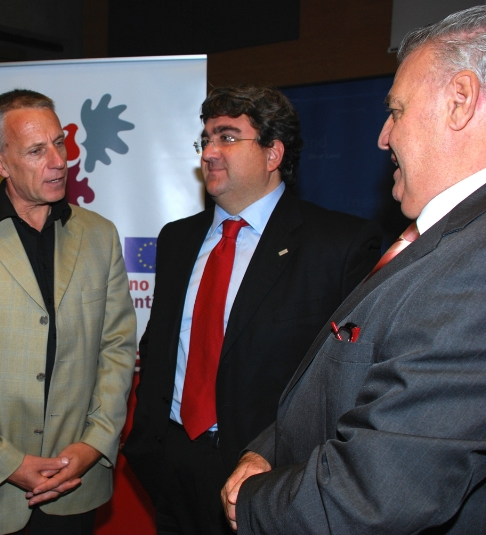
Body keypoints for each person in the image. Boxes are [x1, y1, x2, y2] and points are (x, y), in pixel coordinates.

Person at [221, 6, 486, 534]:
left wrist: (251, 501)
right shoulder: (441, 243)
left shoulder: (472, 267)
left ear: (460, 100)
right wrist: (269, 449)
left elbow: (379, 492)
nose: (384, 137)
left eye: (397, 111)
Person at [122, 86, 382, 535]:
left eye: (227, 137)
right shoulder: (177, 239)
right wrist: (149, 442)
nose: (209, 152)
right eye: (205, 140)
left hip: (268, 474)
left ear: (273, 153)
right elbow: (161, 345)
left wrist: (278, 457)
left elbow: (343, 379)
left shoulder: (337, 245)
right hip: (171, 464)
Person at [0, 89, 136, 535]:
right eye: (36, 151)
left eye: (59, 143)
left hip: (76, 482)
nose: (58, 161)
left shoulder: (100, 235)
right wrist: (7, 462)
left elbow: (117, 347)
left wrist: (93, 445)